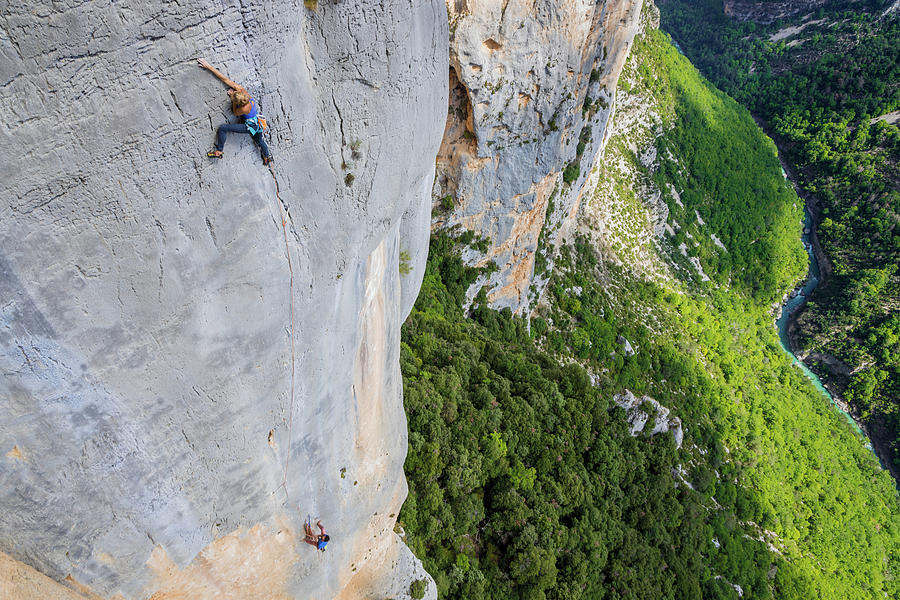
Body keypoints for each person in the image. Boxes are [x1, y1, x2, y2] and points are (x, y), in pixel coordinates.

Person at [197, 58, 273, 165]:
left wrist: (232, 99)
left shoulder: (242, 108)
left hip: (249, 127)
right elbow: (224, 79)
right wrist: (208, 66)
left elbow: (234, 112)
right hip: (258, 123)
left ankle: (219, 151)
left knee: (223, 128)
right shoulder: (244, 93)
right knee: (260, 141)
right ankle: (267, 157)